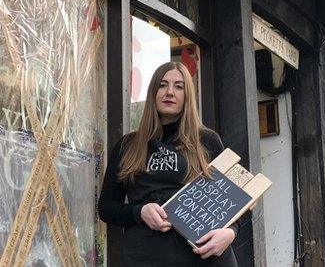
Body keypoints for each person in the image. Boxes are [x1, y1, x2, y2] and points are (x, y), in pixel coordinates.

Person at [98, 62, 239, 266]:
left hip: (203, 259)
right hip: (145, 258)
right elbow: (106, 208)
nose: (170, 92)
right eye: (163, 85)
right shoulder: (127, 146)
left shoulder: (207, 141)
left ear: (187, 96)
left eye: (179, 86)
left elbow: (233, 201)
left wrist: (230, 232)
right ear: (154, 92)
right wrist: (139, 212)